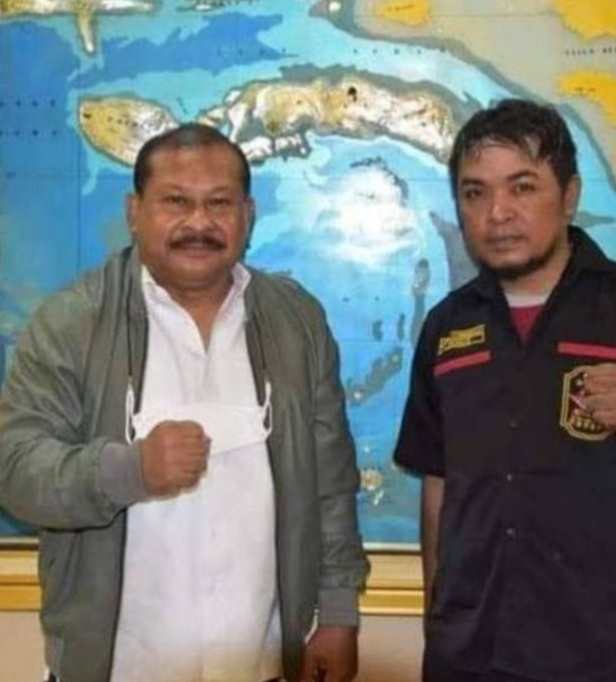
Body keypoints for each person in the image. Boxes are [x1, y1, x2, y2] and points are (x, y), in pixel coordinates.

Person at [0, 123, 368, 682]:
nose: (199, 223)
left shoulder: (297, 321)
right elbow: (14, 470)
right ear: (134, 212)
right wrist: (131, 471)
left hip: (262, 664)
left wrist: (338, 613)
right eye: (176, 201)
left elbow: (331, 482)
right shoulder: (71, 322)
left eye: (219, 203)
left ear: (248, 215)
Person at [393, 98, 616, 682]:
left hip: (607, 659)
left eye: (523, 187)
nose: (498, 213)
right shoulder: (446, 327)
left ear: (570, 195)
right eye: (475, 192)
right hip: (471, 660)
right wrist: (437, 624)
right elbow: (439, 486)